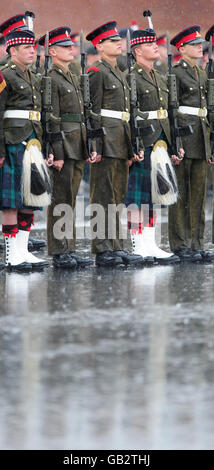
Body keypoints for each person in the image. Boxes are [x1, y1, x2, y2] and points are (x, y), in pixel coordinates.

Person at [86, 21, 144, 267]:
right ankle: (102, 248)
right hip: (105, 140)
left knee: (118, 195)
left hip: (121, 138)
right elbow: (92, 112)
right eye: (112, 41)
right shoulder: (96, 72)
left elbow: (126, 113)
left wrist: (131, 145)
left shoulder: (120, 72)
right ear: (99, 46)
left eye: (118, 40)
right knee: (103, 195)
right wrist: (95, 146)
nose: (118, 43)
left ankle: (116, 244)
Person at [39, 27, 94, 268]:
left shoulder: (71, 75)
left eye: (71, 45)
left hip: (76, 143)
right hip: (64, 145)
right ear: (52, 51)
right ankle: (60, 251)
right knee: (60, 199)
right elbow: (52, 118)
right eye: (65, 46)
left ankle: (69, 247)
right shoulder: (51, 78)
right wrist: (57, 152)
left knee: (70, 198)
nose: (71, 49)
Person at [125, 28, 180, 264]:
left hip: (159, 141)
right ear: (138, 51)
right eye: (150, 44)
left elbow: (166, 113)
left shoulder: (158, 76)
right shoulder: (131, 76)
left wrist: (171, 145)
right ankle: (138, 244)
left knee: (153, 193)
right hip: (141, 139)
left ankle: (150, 242)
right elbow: (127, 114)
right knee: (137, 196)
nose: (156, 46)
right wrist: (130, 146)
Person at [0, 16, 49, 271]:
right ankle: (11, 255)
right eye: (27, 48)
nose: (33, 51)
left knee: (30, 198)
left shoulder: (34, 76)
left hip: (32, 143)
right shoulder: (4, 74)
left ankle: (23, 250)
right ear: (12, 50)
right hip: (11, 142)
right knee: (10, 201)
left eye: (34, 47)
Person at [168, 25, 214, 261]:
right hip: (185, 135)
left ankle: (197, 242)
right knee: (181, 193)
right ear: (182, 48)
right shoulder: (176, 72)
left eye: (200, 45)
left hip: (200, 135)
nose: (200, 48)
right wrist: (175, 142)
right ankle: (180, 243)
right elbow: (172, 109)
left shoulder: (202, 73)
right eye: (195, 45)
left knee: (198, 193)